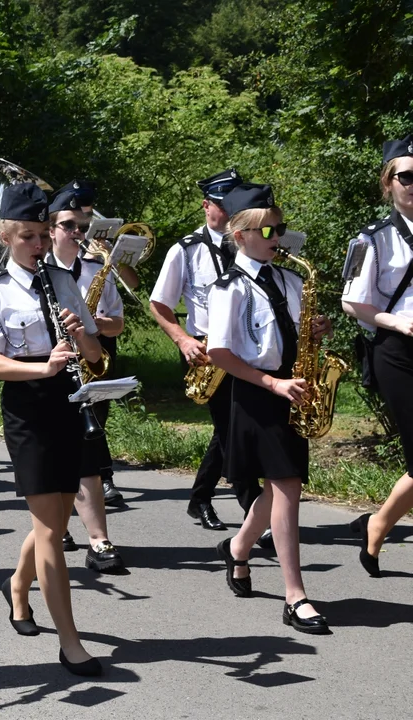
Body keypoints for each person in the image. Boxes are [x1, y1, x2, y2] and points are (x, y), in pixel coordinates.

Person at [0, 181, 104, 677]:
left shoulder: (63, 280)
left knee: (56, 512)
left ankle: (17, 585)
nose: (38, 244)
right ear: (7, 236)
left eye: (42, 236)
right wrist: (44, 368)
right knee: (51, 526)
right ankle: (70, 640)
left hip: (69, 401)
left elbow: (94, 354)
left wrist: (79, 335)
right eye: (27, 236)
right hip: (28, 407)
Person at [208, 183, 331, 634]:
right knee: (288, 487)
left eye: (279, 228)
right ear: (240, 235)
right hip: (258, 392)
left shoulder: (290, 279)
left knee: (282, 486)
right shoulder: (229, 288)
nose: (277, 237)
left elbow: (296, 338)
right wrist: (273, 383)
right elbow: (220, 353)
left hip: (292, 388)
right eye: (268, 229)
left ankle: (239, 547)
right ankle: (295, 594)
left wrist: (318, 332)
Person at [150, 168, 263, 531]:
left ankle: (200, 498)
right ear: (206, 205)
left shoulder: (252, 245)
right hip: (206, 352)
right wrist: (182, 339)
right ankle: (256, 513)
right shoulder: (185, 250)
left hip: (248, 350)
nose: (230, 211)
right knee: (233, 430)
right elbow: (159, 304)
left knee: (230, 429)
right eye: (222, 204)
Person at [343, 135, 413, 577]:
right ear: (388, 183)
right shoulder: (372, 239)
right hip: (399, 352)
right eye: (407, 176)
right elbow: (353, 301)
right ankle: (380, 523)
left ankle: (378, 523)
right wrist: (398, 323)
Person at [47, 189, 126, 571]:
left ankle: (98, 539)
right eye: (69, 225)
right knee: (56, 457)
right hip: (48, 370)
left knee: (87, 452)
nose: (77, 232)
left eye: (82, 226)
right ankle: (58, 524)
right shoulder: (37, 272)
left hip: (90, 361)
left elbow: (119, 322)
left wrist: (89, 325)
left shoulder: (97, 269)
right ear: (50, 230)